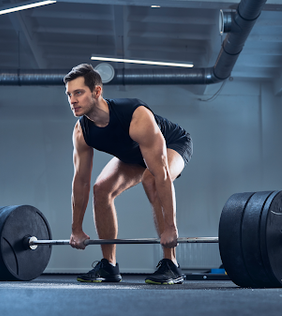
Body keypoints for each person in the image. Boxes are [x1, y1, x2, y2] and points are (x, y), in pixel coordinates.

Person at [63, 63, 193, 285]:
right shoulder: (82, 131)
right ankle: (109, 266)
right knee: (100, 188)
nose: (72, 100)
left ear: (97, 91)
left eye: (78, 92)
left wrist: (171, 228)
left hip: (173, 144)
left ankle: (171, 263)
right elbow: (81, 182)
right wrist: (76, 228)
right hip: (133, 155)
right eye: (68, 94)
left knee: (150, 178)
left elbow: (160, 173)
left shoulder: (135, 114)